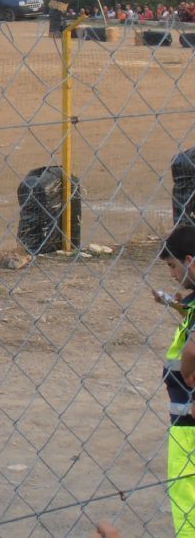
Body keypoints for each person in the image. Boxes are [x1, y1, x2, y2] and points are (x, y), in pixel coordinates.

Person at [154, 224, 195, 538]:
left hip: (187, 422)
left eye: (172, 265)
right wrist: (173, 303)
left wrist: (187, 372)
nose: (171, 274)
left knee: (185, 495)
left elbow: (193, 348)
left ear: (190, 261)